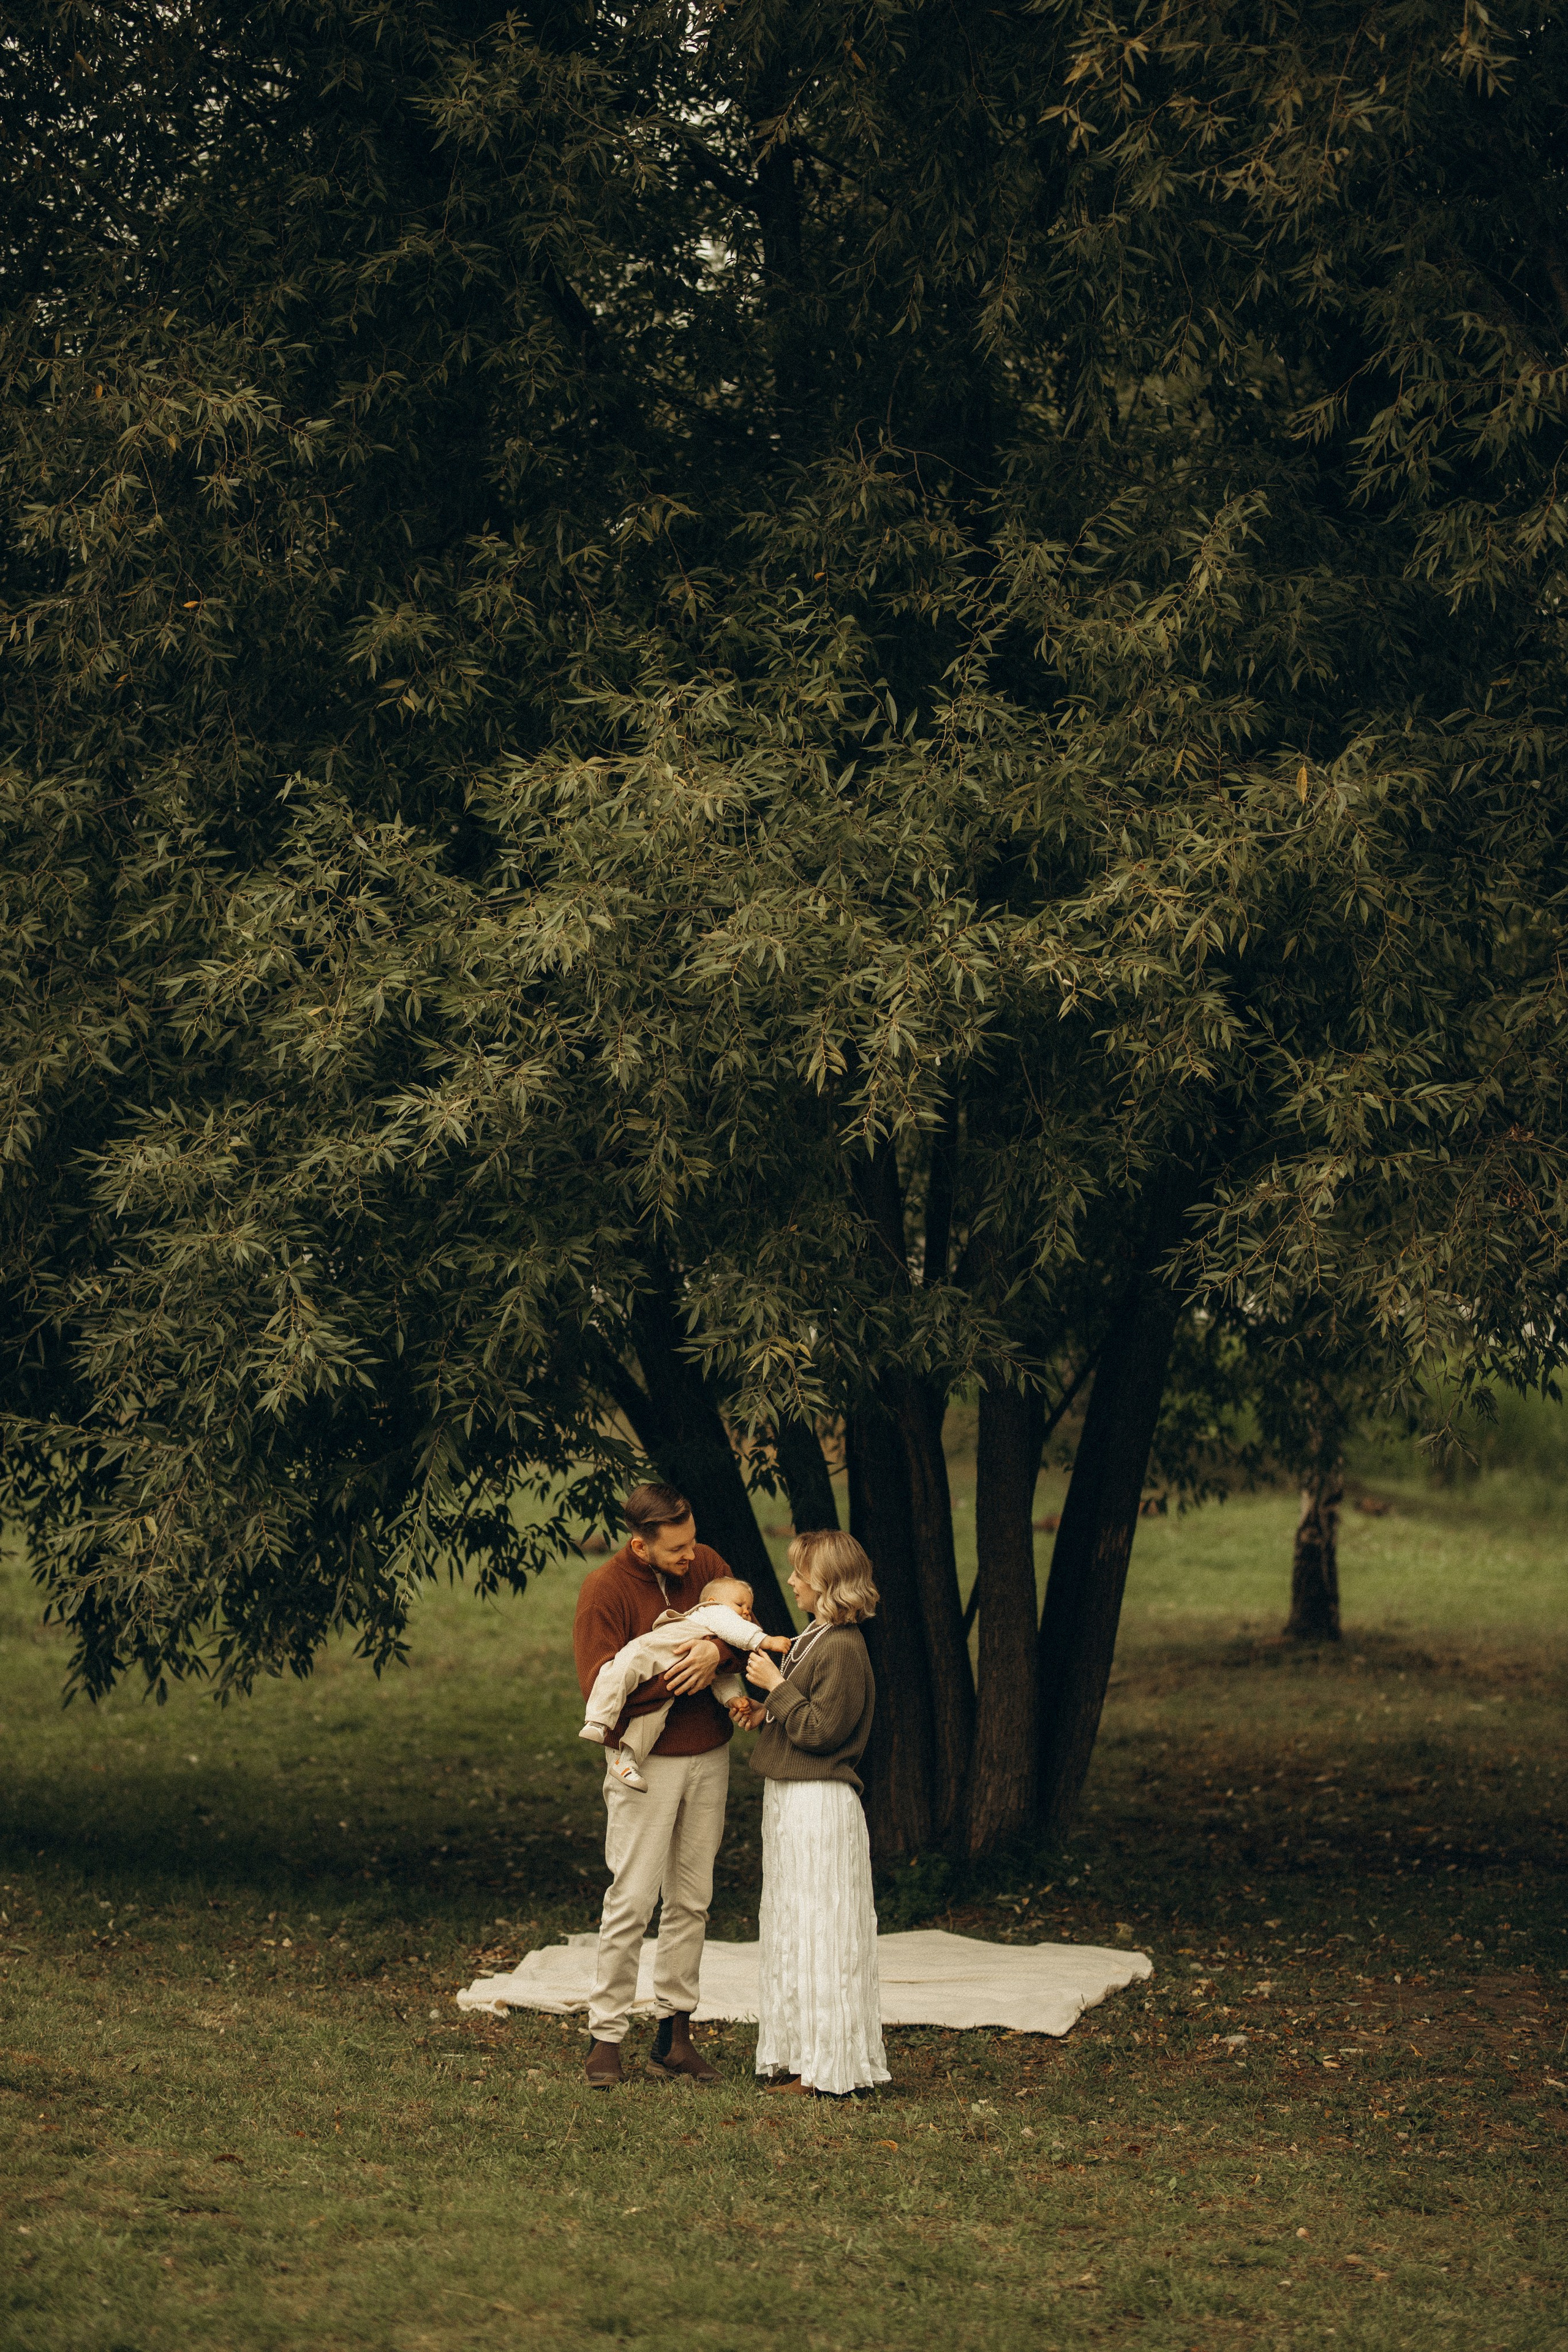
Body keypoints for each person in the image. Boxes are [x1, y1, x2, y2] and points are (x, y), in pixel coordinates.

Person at [571, 1482, 741, 2088]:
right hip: (644, 1764)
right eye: (675, 1550)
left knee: (691, 1898)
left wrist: (715, 1652)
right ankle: (607, 2037)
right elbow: (601, 1687)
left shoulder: (708, 1563)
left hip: (709, 1753)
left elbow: (743, 1627)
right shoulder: (605, 1590)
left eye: (692, 1542)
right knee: (632, 1900)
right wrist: (680, 1673)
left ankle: (674, 2036)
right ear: (640, 1546)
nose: (690, 1558)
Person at [733, 1528, 891, 2099]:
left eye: (801, 1574)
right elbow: (800, 1717)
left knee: (822, 1928)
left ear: (827, 1583)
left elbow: (824, 1731)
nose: (793, 1582)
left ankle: (830, 2065)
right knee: (795, 1926)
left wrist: (776, 1687)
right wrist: (766, 1708)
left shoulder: (845, 1646)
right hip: (793, 1798)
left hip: (820, 1803)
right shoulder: (815, 1636)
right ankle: (804, 2055)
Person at [578, 1577, 791, 1789]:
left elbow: (721, 1677)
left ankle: (627, 1760)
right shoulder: (714, 1612)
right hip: (654, 1648)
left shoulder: (718, 1636)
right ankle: (599, 1721)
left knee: (652, 1719)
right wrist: (766, 1641)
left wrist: (732, 1699)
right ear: (713, 1600)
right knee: (624, 1669)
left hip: (667, 1679)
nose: (746, 1612)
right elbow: (735, 1628)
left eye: (749, 1608)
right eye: (740, 1605)